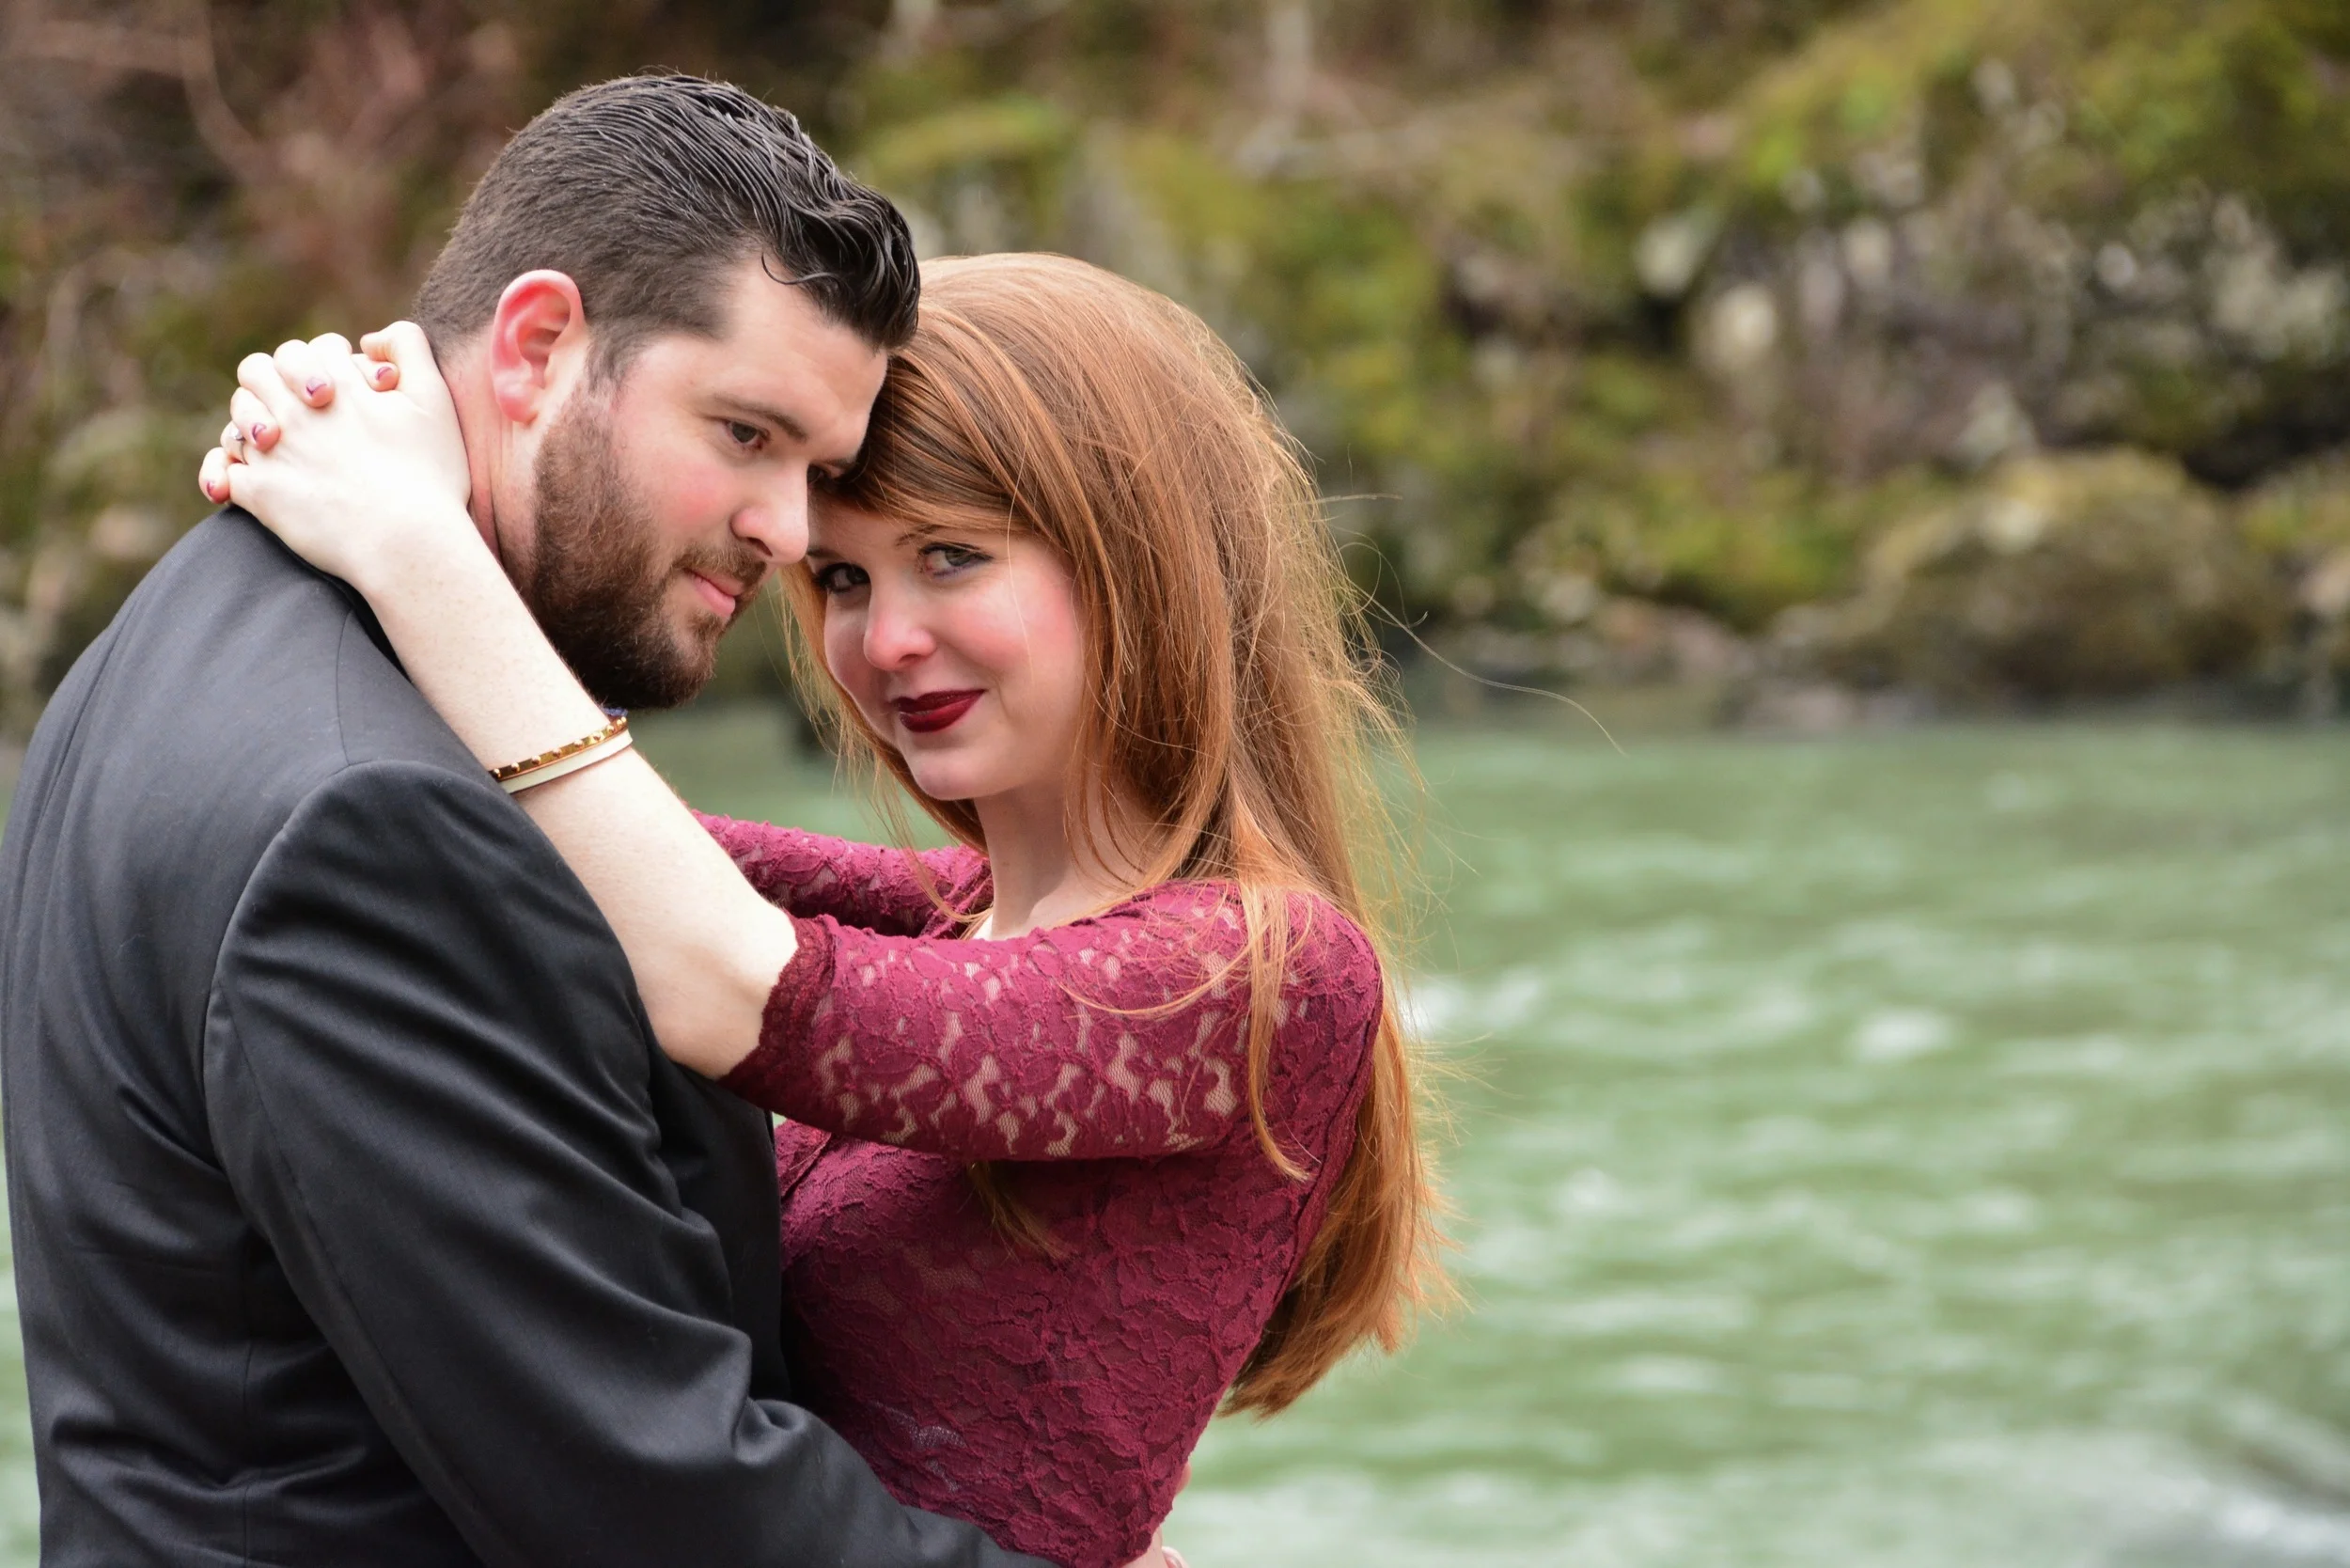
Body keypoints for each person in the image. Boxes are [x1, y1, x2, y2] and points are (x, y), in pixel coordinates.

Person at [206, 252, 1449, 1567]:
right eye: (845, 581)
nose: (887, 640)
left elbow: (738, 986)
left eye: (951, 559)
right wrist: (388, 425)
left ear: (1137, 562)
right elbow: (576, 841)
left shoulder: (1263, 969)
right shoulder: (951, 914)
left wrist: (410, 542)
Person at [0, 73, 1069, 1568]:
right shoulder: (375, 826)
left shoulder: (171, 638)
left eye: (816, 473)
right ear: (540, 345)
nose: (788, 530)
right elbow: (651, 1502)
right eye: (747, 434)